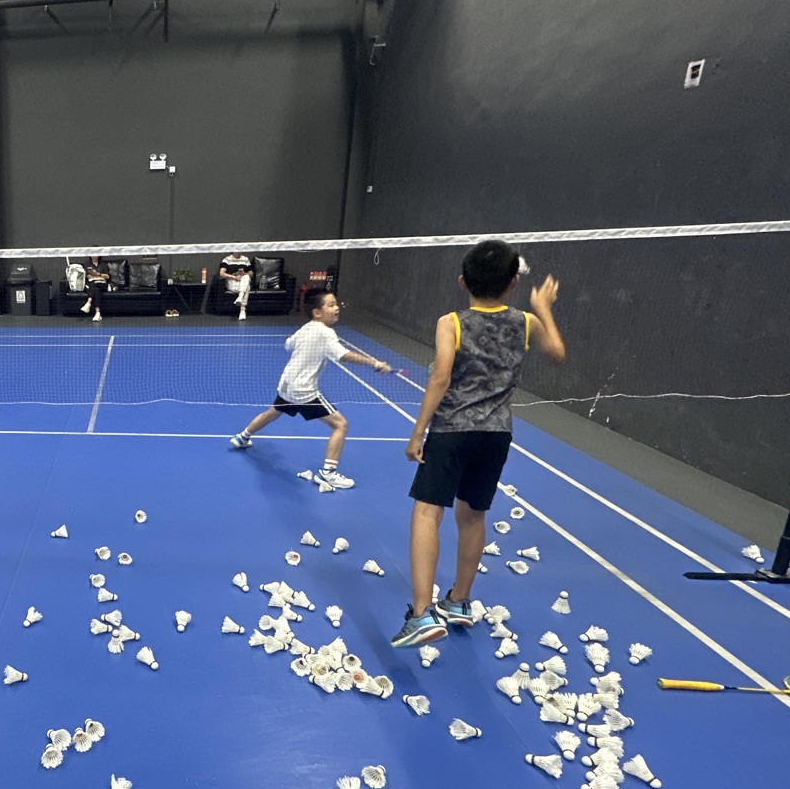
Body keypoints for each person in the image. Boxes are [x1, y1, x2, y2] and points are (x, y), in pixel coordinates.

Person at [391, 240, 566, 648]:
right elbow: (557, 353)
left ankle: (421, 614)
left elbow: (440, 377)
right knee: (473, 517)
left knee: (426, 514)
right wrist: (543, 308)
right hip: (496, 435)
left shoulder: (451, 322)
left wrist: (418, 432)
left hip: (452, 431)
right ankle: (459, 601)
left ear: (462, 281)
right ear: (512, 283)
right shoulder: (526, 322)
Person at [229, 290, 391, 489]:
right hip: (303, 391)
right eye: (330, 305)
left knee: (273, 412)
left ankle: (242, 437)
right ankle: (327, 473)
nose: (336, 308)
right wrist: (374, 362)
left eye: (336, 304)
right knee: (340, 425)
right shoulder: (325, 332)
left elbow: (288, 344)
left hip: (287, 384)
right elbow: (344, 355)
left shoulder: (306, 328)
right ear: (317, 312)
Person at [220, 251, 253, 320]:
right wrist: (234, 277)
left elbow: (251, 273)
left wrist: (244, 273)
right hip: (232, 281)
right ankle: (242, 310)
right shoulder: (227, 259)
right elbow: (222, 273)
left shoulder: (245, 259)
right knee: (247, 287)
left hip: (243, 281)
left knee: (246, 277)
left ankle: (240, 298)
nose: (238, 251)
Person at [79, 255, 109, 322]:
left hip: (102, 283)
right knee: (96, 289)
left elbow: (107, 276)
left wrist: (98, 274)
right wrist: (97, 277)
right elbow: (87, 276)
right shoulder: (86, 264)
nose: (94, 256)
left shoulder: (103, 264)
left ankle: (88, 303)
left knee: (95, 285)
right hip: (92, 283)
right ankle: (98, 313)